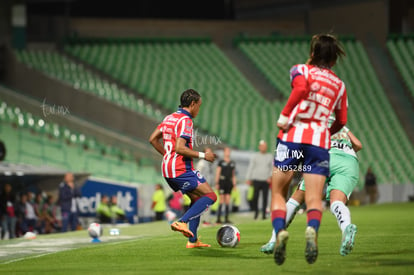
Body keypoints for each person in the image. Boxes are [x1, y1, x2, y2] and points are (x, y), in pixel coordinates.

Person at [271, 33, 348, 265]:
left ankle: (279, 232)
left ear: (312, 53)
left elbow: (302, 88)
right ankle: (311, 229)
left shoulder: (300, 70)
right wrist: (326, 132)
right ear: (334, 60)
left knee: (277, 192)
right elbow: (342, 121)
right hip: (319, 144)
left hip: (292, 139)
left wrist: (285, 115)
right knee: (314, 199)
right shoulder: (339, 85)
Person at [262, 119, 362, 257]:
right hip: (348, 160)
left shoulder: (311, 122)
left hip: (324, 157)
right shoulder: (339, 124)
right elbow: (358, 144)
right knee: (336, 202)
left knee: (296, 198)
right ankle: (346, 227)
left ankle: (274, 239)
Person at [149, 89, 217, 248]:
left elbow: (152, 139)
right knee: (211, 196)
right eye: (199, 106)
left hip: (168, 168)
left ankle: (192, 241)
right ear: (192, 104)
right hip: (180, 169)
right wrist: (203, 156)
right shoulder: (186, 121)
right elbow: (180, 148)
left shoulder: (169, 118)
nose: (199, 110)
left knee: (196, 199)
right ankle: (182, 222)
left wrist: (168, 156)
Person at [246, 140, 273, 220]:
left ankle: (264, 214)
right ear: (259, 147)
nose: (263, 148)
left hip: (265, 180)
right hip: (256, 179)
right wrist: (248, 178)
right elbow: (251, 167)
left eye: (265, 146)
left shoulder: (269, 156)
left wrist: (270, 177)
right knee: (255, 197)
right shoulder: (255, 156)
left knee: (265, 198)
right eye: (262, 146)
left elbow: (272, 168)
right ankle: (256, 212)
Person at [215, 147, 237, 224]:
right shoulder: (221, 162)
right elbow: (218, 173)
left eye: (229, 151)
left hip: (229, 182)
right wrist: (217, 183)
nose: (228, 153)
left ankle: (226, 218)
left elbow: (233, 175)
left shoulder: (232, 163)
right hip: (222, 182)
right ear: (224, 152)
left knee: (228, 200)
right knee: (221, 200)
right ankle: (218, 219)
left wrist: (234, 184)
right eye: (226, 151)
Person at [196, 147, 216, 225]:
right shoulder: (202, 163)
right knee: (206, 203)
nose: (210, 154)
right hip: (204, 187)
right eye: (208, 152)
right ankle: (205, 221)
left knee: (207, 203)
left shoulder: (208, 163)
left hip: (208, 186)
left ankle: (206, 220)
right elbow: (198, 174)